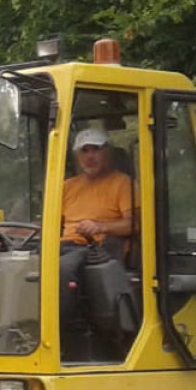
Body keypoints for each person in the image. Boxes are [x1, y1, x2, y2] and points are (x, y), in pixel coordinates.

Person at [59, 127, 137, 355]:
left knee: (61, 269)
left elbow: (135, 224)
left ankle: (55, 334)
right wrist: (14, 232)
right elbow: (48, 224)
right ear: (77, 155)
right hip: (63, 245)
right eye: (85, 151)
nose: (90, 156)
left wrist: (100, 226)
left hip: (96, 249)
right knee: (21, 263)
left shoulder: (123, 184)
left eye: (96, 150)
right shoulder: (67, 187)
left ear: (108, 153)